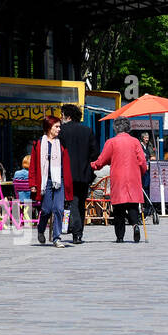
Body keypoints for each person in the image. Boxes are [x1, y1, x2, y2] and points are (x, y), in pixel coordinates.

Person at [91, 118, 150, 243]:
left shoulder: (111, 142)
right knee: (133, 205)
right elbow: (142, 162)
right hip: (133, 177)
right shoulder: (135, 142)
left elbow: (101, 161)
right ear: (128, 128)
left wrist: (92, 165)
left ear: (115, 128)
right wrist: (142, 172)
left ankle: (120, 236)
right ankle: (135, 225)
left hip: (118, 177)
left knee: (118, 208)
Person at [59, 103, 99, 245]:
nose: (60, 118)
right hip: (84, 173)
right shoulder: (87, 131)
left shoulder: (61, 131)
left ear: (67, 116)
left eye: (62, 115)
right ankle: (79, 233)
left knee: (72, 202)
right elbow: (95, 154)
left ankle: (75, 231)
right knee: (81, 202)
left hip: (66, 173)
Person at [29, 116, 72, 247]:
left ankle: (56, 238)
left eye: (59, 126)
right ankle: (41, 229)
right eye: (56, 127)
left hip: (59, 180)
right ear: (49, 128)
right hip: (44, 181)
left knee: (58, 209)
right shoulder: (38, 144)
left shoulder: (62, 144)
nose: (59, 129)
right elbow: (33, 166)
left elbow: (66, 164)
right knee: (46, 210)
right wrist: (33, 184)